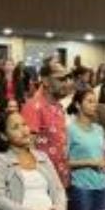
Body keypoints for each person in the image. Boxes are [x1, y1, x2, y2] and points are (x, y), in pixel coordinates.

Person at [66, 89, 105, 210]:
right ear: (78, 105)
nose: (94, 105)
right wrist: (89, 162)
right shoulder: (70, 130)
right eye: (90, 101)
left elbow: (102, 155)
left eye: (95, 101)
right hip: (81, 187)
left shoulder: (99, 129)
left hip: (102, 184)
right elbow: (64, 162)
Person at [21, 58, 72, 186]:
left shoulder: (58, 107)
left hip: (61, 180)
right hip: (42, 183)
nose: (66, 83)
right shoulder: (34, 106)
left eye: (67, 79)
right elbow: (27, 147)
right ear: (45, 80)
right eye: (60, 79)